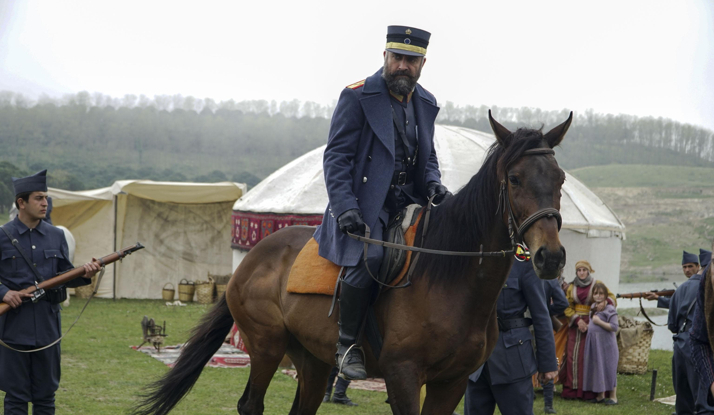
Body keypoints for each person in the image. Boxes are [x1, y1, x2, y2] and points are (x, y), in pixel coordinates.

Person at [313, 25, 450, 380]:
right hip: (364, 205)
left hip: (410, 201)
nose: (403, 66)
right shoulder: (357, 96)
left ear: (422, 63)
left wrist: (434, 183)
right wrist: (344, 207)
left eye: (412, 60)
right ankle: (347, 345)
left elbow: (428, 156)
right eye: (398, 58)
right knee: (371, 256)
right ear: (385, 56)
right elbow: (337, 158)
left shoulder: (427, 102)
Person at [0, 169, 100, 414]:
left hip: (47, 328)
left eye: (46, 197)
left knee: (46, 397)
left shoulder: (56, 236)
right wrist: (3, 292)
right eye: (38, 198)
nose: (45, 203)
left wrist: (84, 274)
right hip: (13, 328)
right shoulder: (2, 235)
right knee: (16, 398)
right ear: (20, 203)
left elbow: (63, 276)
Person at [464, 260, 558, 415]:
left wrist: (547, 364)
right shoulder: (474, 260)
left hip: (512, 360)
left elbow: (541, 315)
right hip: (477, 363)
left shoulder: (523, 264)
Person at [559, 260, 616, 401]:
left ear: (589, 271)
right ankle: (573, 389)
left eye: (584, 270)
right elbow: (567, 305)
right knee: (573, 356)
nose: (582, 273)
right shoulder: (571, 287)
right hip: (576, 325)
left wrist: (602, 306)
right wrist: (578, 320)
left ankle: (591, 391)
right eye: (579, 270)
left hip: (593, 324)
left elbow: (611, 298)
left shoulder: (597, 284)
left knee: (590, 357)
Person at [666, 250, 714, 414]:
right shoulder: (708, 288)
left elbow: (672, 324)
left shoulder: (680, 290)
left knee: (683, 403)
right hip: (701, 349)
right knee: (705, 404)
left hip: (680, 346)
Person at [582, 282, 619, 405]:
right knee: (597, 367)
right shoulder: (593, 306)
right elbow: (593, 321)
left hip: (606, 344)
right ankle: (600, 395)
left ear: (605, 295)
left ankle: (613, 397)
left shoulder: (610, 309)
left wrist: (598, 322)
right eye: (596, 293)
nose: (598, 296)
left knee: (609, 368)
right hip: (594, 343)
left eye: (601, 294)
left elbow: (614, 327)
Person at [538, 276, 568, 413]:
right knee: (548, 360)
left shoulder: (522, 274)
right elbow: (562, 303)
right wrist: (544, 311)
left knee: (526, 364)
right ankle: (548, 405)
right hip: (543, 326)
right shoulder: (549, 278)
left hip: (524, 325)